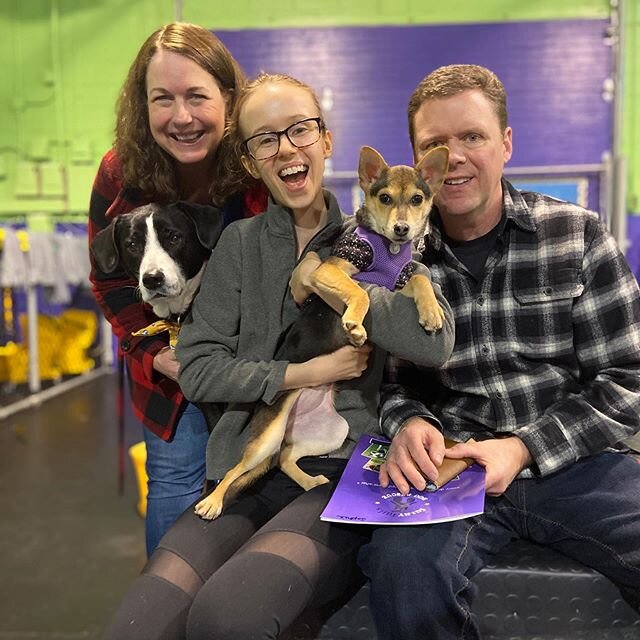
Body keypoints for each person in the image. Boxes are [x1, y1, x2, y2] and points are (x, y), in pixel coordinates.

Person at [101, 72, 455, 640]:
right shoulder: (236, 245)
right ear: (249, 160)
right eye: (265, 139)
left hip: (336, 471)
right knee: (138, 626)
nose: (286, 147)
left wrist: (333, 281)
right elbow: (195, 369)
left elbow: (433, 344)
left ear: (325, 140)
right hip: (243, 470)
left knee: (228, 617)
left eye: (300, 130)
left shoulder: (376, 238)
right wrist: (301, 372)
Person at [357, 63, 640, 640]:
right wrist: (407, 422)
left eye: (472, 136)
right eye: (435, 143)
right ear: (418, 163)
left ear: (505, 144)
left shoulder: (578, 234)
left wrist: (525, 447)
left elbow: (628, 377)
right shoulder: (388, 262)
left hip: (573, 461)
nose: (453, 156)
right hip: (452, 467)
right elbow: (383, 384)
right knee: (402, 578)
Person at [88, 22, 266, 556]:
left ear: (229, 101)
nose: (181, 116)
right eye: (162, 98)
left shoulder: (256, 164)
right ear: (143, 106)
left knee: (261, 479)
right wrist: (156, 353)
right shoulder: (120, 174)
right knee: (175, 480)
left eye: (197, 96)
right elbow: (109, 280)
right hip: (171, 365)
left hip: (252, 357)